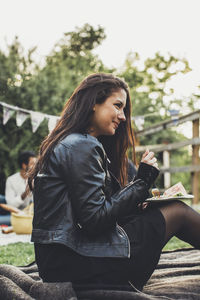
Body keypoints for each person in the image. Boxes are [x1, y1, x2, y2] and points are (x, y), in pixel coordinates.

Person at [28, 73, 200, 291]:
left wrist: (141, 201)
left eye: (124, 109)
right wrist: (142, 181)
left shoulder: (71, 142)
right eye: (117, 106)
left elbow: (94, 210)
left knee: (167, 208)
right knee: (178, 211)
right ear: (93, 103)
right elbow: (95, 220)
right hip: (78, 263)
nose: (123, 117)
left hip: (61, 262)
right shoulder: (81, 146)